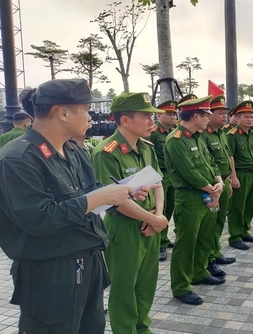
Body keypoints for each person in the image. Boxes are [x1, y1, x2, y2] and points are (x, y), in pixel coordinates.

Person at [0, 79, 142, 334]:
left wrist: (120, 192)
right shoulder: (18, 158)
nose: (90, 117)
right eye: (85, 109)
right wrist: (101, 197)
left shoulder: (73, 151)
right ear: (62, 112)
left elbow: (88, 191)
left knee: (91, 328)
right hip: (50, 271)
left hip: (88, 260)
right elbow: (38, 219)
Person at [92, 92, 169, 333]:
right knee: (124, 289)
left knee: (146, 285)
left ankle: (141, 328)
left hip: (149, 225)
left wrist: (158, 214)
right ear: (125, 120)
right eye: (146, 116)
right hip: (123, 227)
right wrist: (154, 219)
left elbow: (158, 183)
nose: (151, 122)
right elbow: (116, 200)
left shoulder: (147, 148)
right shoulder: (106, 152)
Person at [164, 95, 225, 306]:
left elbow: (211, 163)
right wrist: (213, 190)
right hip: (190, 197)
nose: (209, 119)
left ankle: (199, 272)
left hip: (207, 194)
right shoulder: (176, 139)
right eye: (206, 115)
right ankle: (181, 286)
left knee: (204, 238)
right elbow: (188, 173)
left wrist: (219, 182)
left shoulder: (198, 137)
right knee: (186, 243)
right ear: (196, 116)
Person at [200, 95, 237, 277]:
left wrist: (229, 180)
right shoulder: (203, 135)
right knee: (210, 224)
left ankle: (215, 252)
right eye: (220, 113)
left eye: (225, 113)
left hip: (224, 181)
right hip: (212, 185)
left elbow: (227, 158)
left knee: (220, 220)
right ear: (210, 114)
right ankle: (208, 260)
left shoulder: (222, 133)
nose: (225, 117)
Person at [226, 100, 253, 250]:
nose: (250, 119)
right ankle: (235, 236)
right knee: (237, 207)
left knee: (249, 204)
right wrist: (233, 177)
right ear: (237, 118)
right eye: (246, 117)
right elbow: (230, 156)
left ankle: (244, 231)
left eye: (251, 116)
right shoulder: (232, 135)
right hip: (241, 174)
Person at [149, 99, 178, 262]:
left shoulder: (174, 131)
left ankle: (165, 238)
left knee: (170, 207)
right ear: (159, 115)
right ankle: (159, 243)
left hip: (173, 174)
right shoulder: (154, 132)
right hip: (159, 175)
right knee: (161, 207)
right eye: (168, 114)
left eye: (174, 114)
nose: (172, 117)